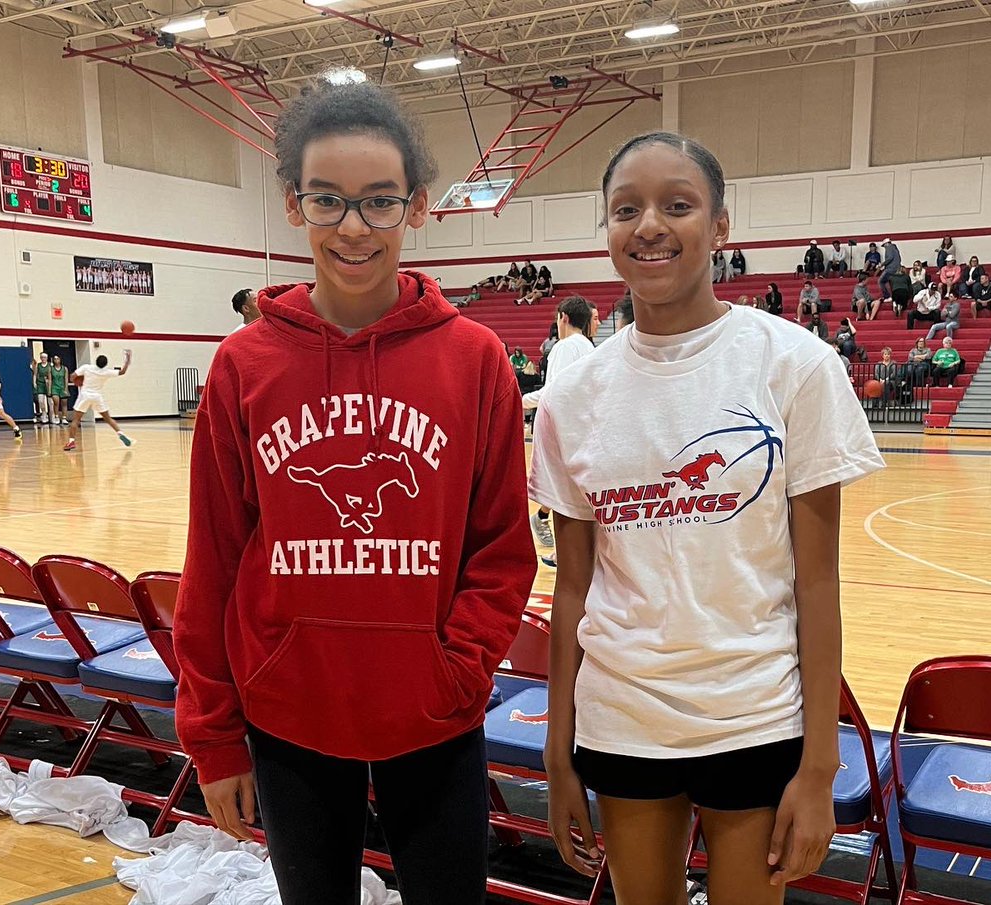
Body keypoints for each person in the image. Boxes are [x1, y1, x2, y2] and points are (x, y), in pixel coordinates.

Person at [171, 81, 536, 905]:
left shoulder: (475, 360)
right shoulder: (243, 365)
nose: (353, 227)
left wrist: (456, 670)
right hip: (289, 713)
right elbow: (215, 559)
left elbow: (503, 549)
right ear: (294, 205)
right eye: (328, 200)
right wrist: (214, 736)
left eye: (378, 203)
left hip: (435, 718)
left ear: (418, 205)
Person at [529, 130, 883, 905]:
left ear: (721, 226)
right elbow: (572, 591)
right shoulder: (570, 398)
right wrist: (559, 755)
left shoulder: (794, 365)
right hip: (623, 716)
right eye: (627, 209)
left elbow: (819, 584)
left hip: (754, 713)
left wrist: (818, 766)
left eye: (677, 205)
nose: (649, 224)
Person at [523, 296, 597, 554]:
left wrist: (517, 402)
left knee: (563, 487)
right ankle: (559, 541)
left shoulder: (564, 347)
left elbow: (551, 393)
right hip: (584, 427)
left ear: (563, 318)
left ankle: (546, 527)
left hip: (564, 428)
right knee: (571, 489)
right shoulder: (588, 346)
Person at [62, 351, 135, 451]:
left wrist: (77, 382)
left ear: (96, 361)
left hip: (85, 395)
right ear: (105, 364)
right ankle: (120, 433)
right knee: (108, 419)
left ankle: (71, 442)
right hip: (97, 397)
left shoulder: (86, 367)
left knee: (76, 420)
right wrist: (127, 361)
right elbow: (122, 372)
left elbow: (72, 376)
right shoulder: (106, 372)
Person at [31, 351, 51, 424]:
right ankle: (44, 414)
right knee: (40, 400)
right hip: (40, 384)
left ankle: (52, 416)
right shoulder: (38, 365)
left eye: (44, 357)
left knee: (50, 402)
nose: (43, 359)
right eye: (42, 357)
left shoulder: (50, 365)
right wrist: (34, 382)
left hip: (48, 384)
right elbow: (35, 374)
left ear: (47, 358)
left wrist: (49, 382)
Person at [49, 354, 70, 425]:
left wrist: (66, 389)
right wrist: (49, 390)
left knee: (64, 403)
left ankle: (64, 418)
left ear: (60, 360)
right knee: (56, 402)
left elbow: (66, 379)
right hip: (54, 387)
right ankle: (56, 416)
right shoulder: (51, 369)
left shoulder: (64, 369)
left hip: (62, 387)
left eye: (57, 359)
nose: (56, 360)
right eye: (55, 359)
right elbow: (50, 380)